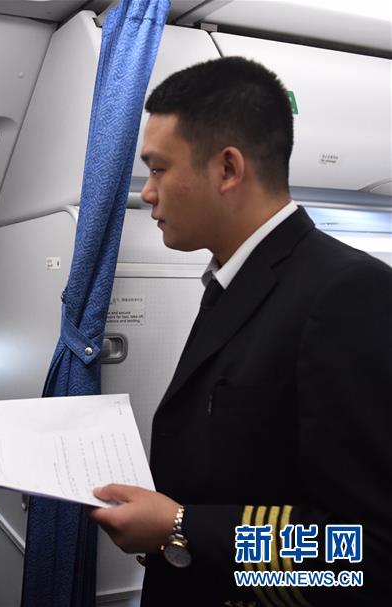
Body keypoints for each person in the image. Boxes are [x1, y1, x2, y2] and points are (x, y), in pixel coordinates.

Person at [87, 57, 392, 605]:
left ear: (228, 169)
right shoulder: (234, 281)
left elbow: (365, 552)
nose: (148, 192)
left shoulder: (348, 293)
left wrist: (181, 528)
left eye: (158, 169)